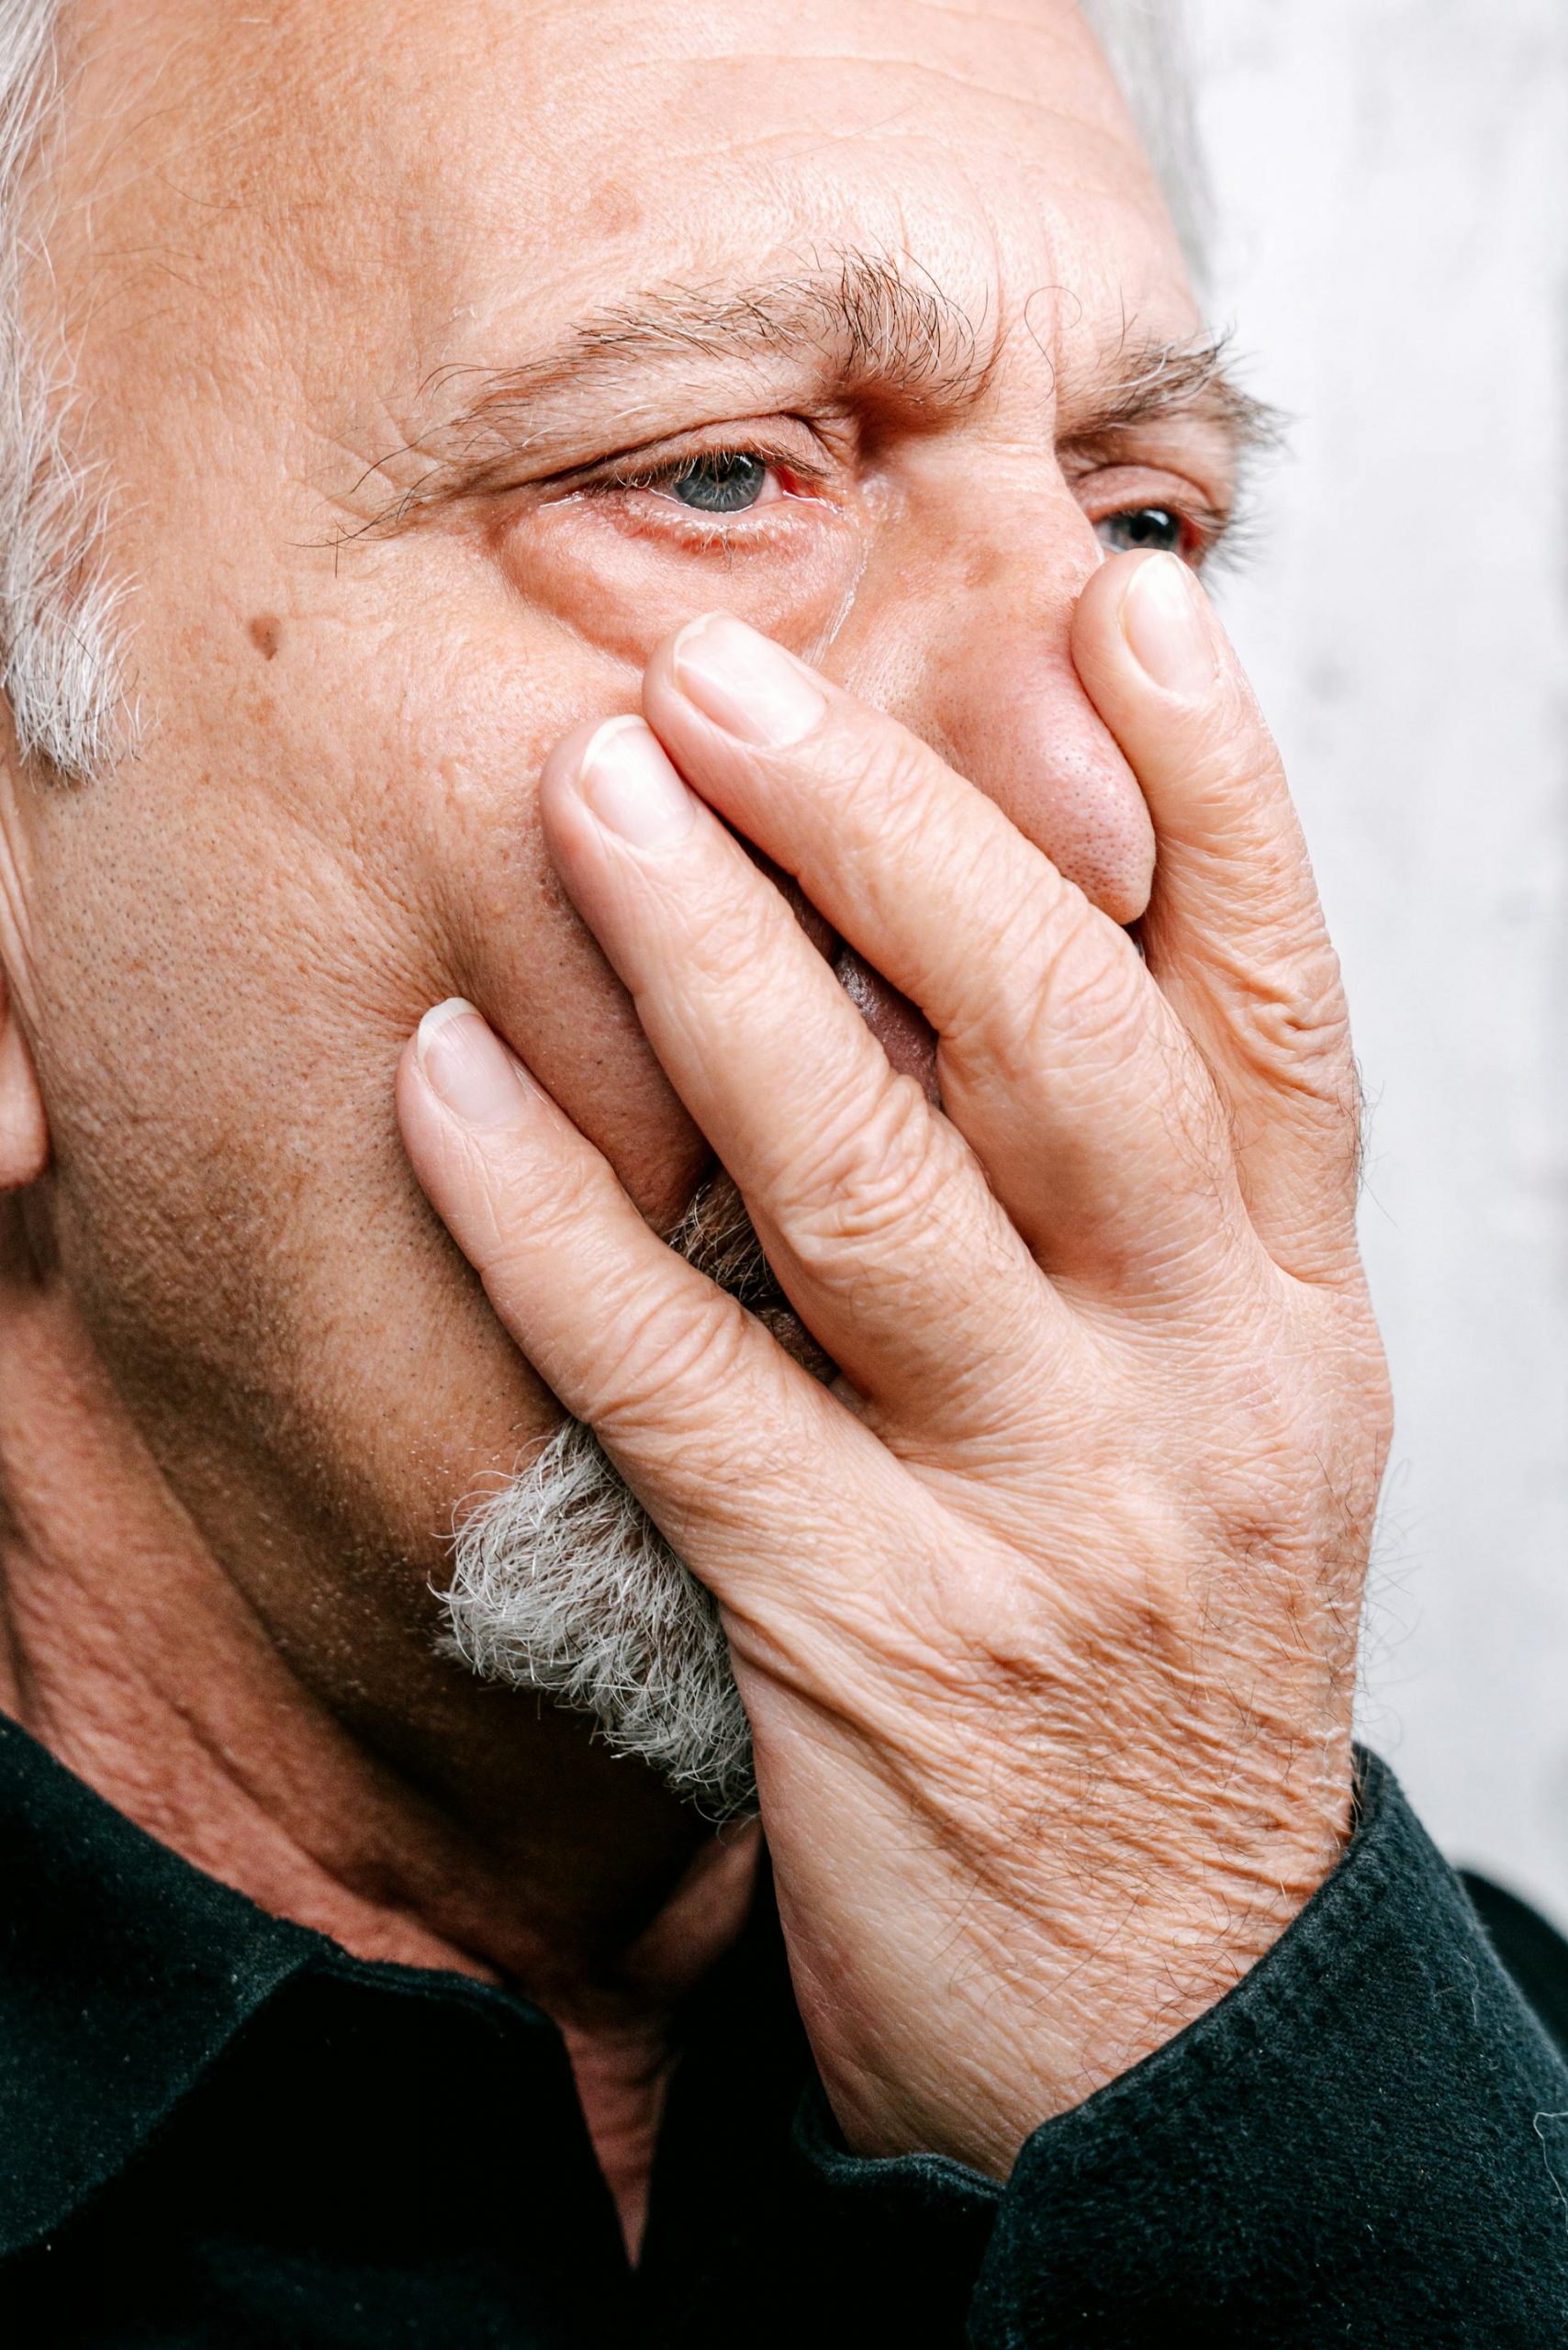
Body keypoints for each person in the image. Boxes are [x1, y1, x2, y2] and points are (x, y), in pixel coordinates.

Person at [0, 0, 1563, 2340]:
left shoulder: (1458, 2122)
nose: (1088, 823)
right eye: (714, 476)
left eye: (1144, 516)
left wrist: (1197, 2020)